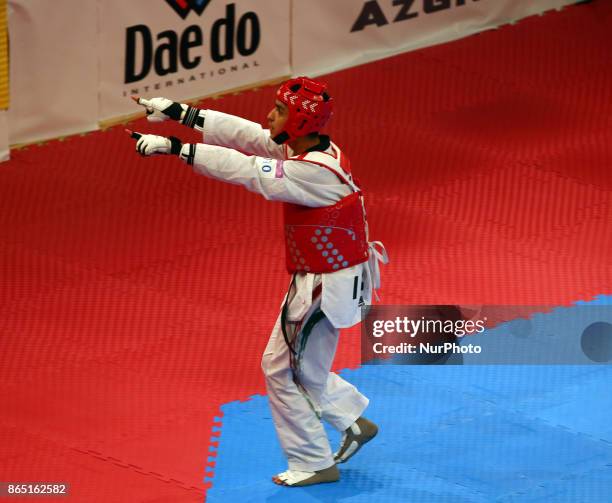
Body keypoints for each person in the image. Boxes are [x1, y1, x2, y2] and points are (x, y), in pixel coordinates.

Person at [126, 76, 388, 487]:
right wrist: (180, 114)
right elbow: (249, 136)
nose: (270, 115)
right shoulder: (313, 149)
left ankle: (312, 461)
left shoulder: (311, 172)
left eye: (280, 110)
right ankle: (351, 421)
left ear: (299, 122)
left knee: (281, 370)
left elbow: (247, 169)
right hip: (326, 276)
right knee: (296, 368)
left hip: (323, 286)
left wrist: (177, 148)